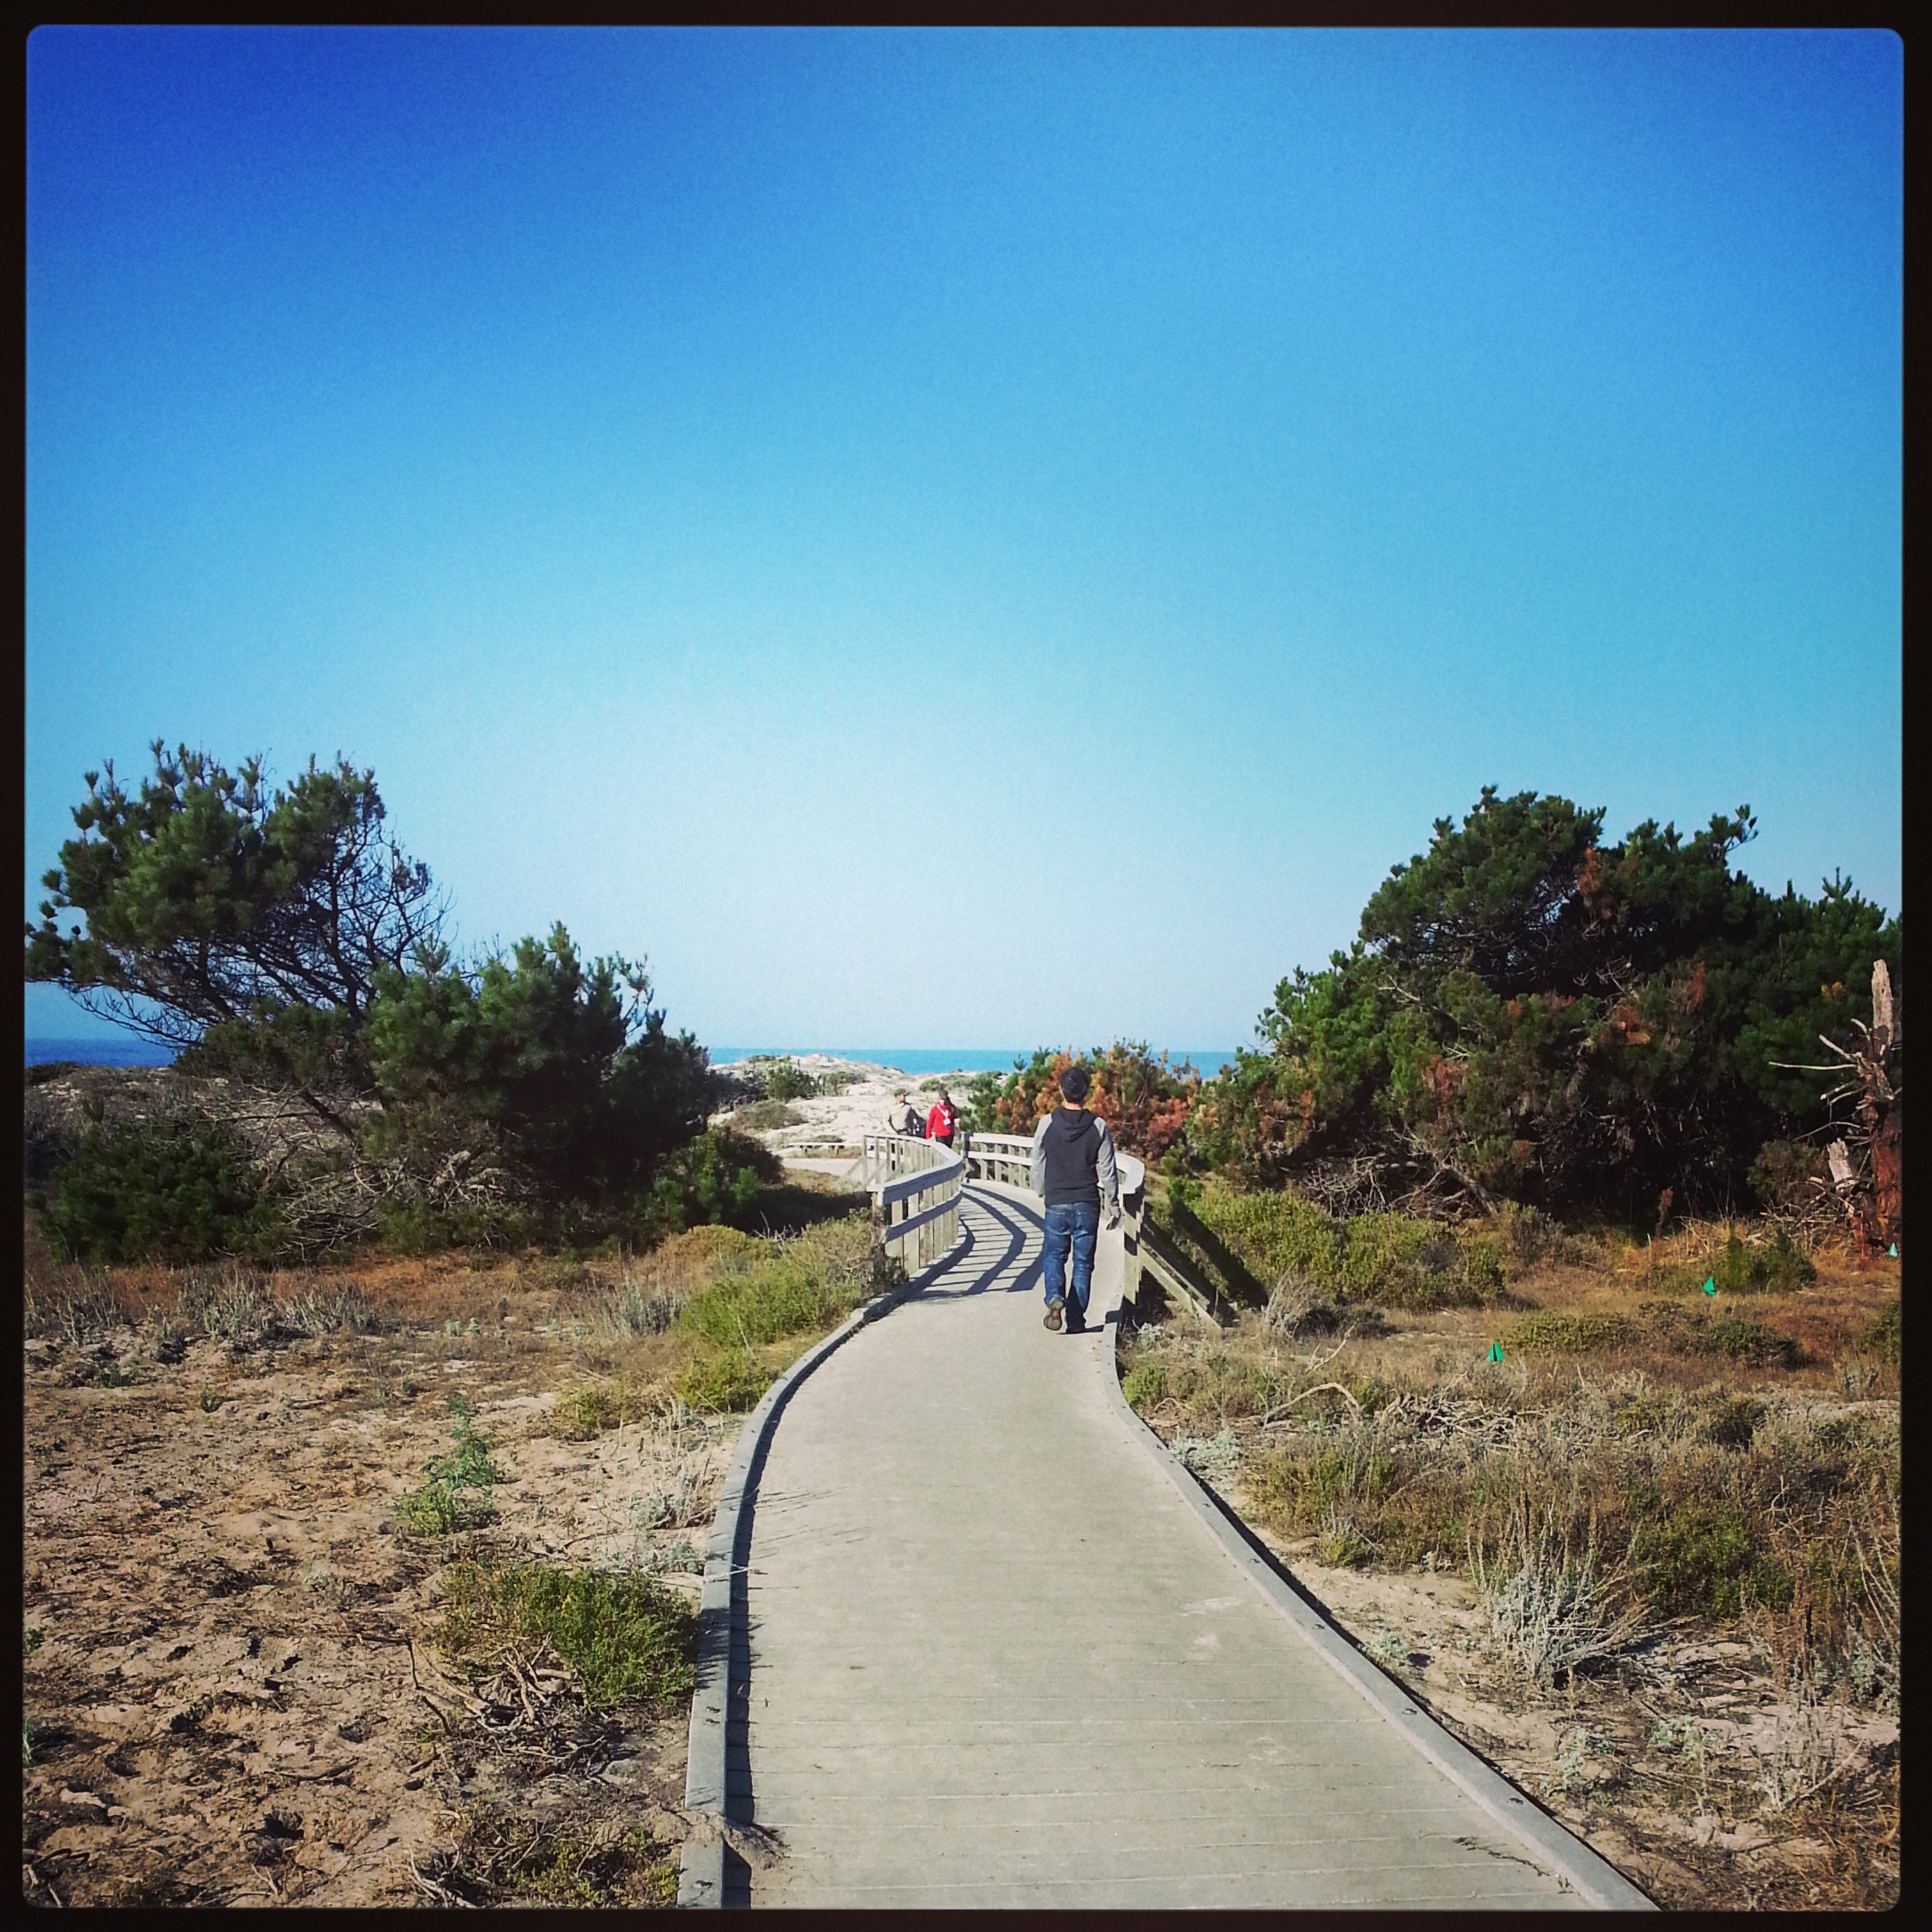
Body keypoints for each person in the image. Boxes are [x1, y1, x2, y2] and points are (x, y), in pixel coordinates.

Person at [1029, 1065, 1120, 1334]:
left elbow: (1038, 1161)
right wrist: (1113, 1205)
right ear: (1087, 1092)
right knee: (1083, 1262)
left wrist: (1040, 1189)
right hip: (1086, 1203)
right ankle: (1077, 1320)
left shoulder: (1047, 1124)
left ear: (1061, 1090)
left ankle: (1055, 1297)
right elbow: (1107, 1170)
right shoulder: (1099, 1127)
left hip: (1056, 1201)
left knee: (1054, 1255)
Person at [925, 1085, 959, 1149]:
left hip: (949, 1134)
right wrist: (928, 1136)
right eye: (941, 1099)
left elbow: (953, 1120)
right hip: (939, 1135)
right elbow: (929, 1123)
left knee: (949, 1152)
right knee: (942, 1152)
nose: (943, 1101)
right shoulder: (935, 1109)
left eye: (944, 1099)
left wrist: (955, 1130)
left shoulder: (951, 1108)